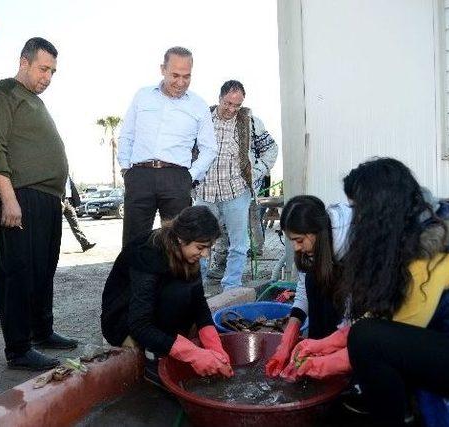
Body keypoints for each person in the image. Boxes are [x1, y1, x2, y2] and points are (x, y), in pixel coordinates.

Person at [282, 158, 449, 426]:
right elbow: (385, 314)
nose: (355, 217)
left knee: (369, 341)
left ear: (380, 210)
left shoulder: (431, 259)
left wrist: (317, 366)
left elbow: (386, 334)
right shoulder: (425, 225)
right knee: (367, 335)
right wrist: (321, 344)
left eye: (357, 208)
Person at [0, 37, 77, 371]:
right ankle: (18, 349)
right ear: (24, 61)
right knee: (17, 272)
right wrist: (8, 197)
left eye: (53, 71)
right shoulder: (1, 93)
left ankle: (41, 331)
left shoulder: (33, 100)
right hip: (21, 195)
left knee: (43, 269)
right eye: (43, 68)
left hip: (48, 199)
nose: (48, 76)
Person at [101, 206, 234, 385]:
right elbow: (140, 324)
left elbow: (199, 303)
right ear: (181, 238)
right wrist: (192, 354)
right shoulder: (148, 253)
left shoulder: (188, 254)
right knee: (176, 295)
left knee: (186, 294)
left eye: (208, 248)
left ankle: (168, 344)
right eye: (201, 247)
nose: (205, 254)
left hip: (156, 311)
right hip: (124, 320)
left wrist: (216, 349)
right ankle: (152, 359)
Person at [117, 46, 217, 246]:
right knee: (134, 243)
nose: (180, 83)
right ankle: (135, 279)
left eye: (186, 76)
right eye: (175, 75)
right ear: (162, 69)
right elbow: (127, 135)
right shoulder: (142, 96)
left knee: (178, 244)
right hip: (139, 176)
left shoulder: (198, 105)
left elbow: (210, 148)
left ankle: (174, 279)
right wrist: (126, 169)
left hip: (177, 178)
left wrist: (189, 176)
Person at [195, 80, 278, 290]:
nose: (231, 109)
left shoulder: (250, 122)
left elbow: (271, 149)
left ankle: (231, 287)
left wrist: (257, 172)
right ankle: (196, 287)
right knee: (199, 241)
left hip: (236, 192)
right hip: (205, 192)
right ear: (219, 98)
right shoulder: (201, 119)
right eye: (228, 103)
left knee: (238, 244)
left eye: (237, 105)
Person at [265, 195, 351, 378]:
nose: (296, 247)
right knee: (313, 281)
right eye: (292, 241)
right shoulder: (312, 250)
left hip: (356, 331)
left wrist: (331, 360)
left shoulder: (353, 247)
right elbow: (304, 292)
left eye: (299, 240)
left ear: (316, 232)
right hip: (338, 332)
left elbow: (360, 322)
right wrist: (287, 339)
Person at [62, 175, 95, 252]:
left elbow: (72, 189)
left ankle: (85, 244)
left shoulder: (68, 176)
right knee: (53, 226)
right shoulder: (57, 171)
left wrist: (75, 203)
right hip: (59, 201)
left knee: (75, 224)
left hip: (69, 202)